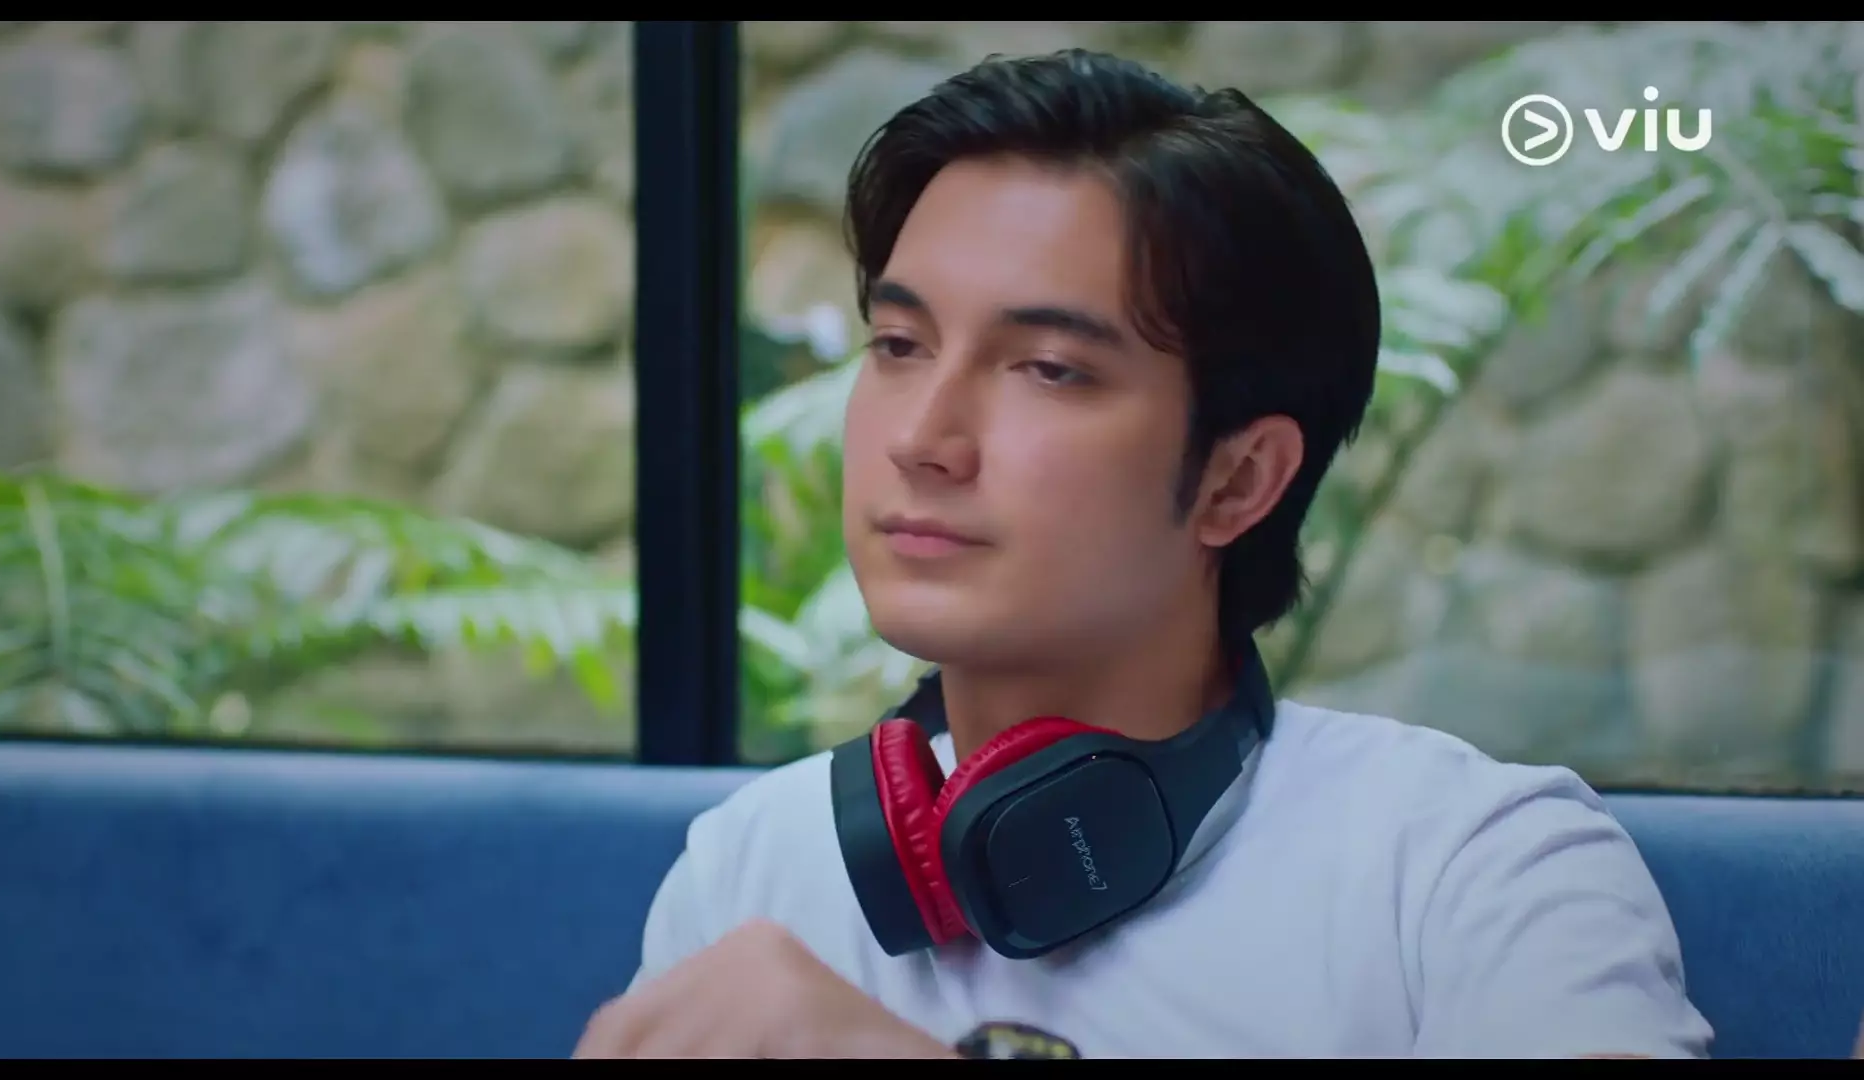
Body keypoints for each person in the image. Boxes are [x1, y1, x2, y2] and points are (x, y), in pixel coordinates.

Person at [574, 49, 1714, 1059]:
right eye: (899, 343)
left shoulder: (1471, 867)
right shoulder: (753, 870)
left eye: (1049, 369)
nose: (921, 438)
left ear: (1238, 480)